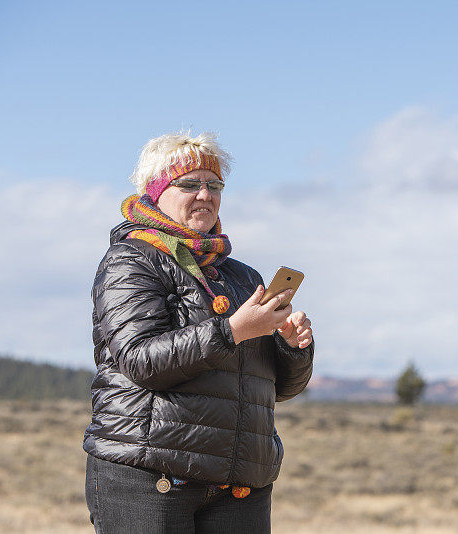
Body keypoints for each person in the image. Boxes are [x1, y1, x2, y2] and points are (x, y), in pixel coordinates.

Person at [83, 131, 314, 533]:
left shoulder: (242, 276)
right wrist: (233, 331)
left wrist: (291, 348)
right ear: (155, 192)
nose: (205, 194)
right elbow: (141, 360)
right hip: (150, 474)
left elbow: (274, 389)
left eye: (215, 185)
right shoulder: (131, 260)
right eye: (190, 184)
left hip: (238, 484)